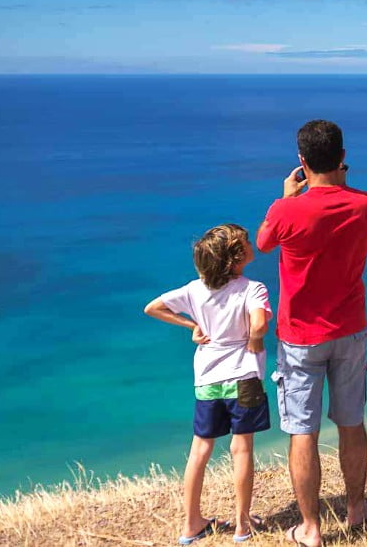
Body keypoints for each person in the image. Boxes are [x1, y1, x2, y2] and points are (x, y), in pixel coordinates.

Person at [258, 120, 367, 547]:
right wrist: (341, 186)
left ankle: (310, 528)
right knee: (351, 423)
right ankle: (356, 509)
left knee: (302, 431)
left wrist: (287, 197)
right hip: (349, 329)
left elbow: (263, 243)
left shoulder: (285, 210)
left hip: (299, 337)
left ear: (301, 161)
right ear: (342, 157)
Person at [143, 224, 272, 544]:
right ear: (235, 257)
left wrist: (191, 326)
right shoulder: (253, 289)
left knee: (200, 449)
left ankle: (191, 524)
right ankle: (243, 525)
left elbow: (153, 308)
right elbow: (258, 324)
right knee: (241, 448)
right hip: (244, 377)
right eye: (245, 242)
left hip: (208, 380)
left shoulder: (194, 290)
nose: (251, 243)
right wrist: (255, 340)